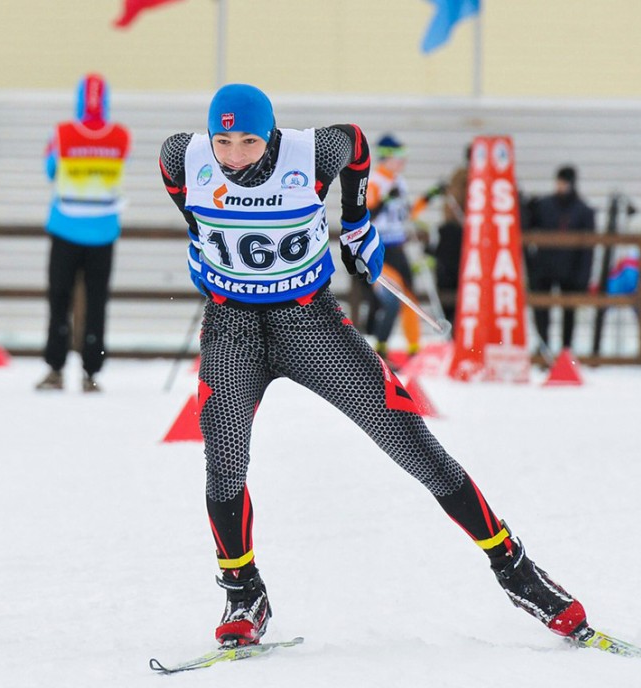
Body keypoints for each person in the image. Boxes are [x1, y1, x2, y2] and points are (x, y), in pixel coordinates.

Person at [159, 83, 590, 648]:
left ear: (271, 135)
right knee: (224, 465)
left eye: (249, 141)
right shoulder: (180, 157)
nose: (236, 156)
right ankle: (245, 592)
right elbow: (191, 207)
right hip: (231, 329)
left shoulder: (311, 153)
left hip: (309, 325)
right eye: (224, 141)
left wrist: (357, 220)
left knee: (414, 446)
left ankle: (517, 570)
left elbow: (357, 145)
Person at [35, 73, 131, 393]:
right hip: (104, 231)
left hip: (65, 227)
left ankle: (55, 368)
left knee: (59, 300)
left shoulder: (62, 134)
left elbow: (50, 170)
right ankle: (92, 371)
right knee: (96, 303)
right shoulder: (120, 136)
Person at [527, 165, 596, 357]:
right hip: (545, 267)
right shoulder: (544, 205)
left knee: (569, 312)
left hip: (570, 269)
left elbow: (588, 248)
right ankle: (543, 345)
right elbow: (527, 224)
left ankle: (566, 349)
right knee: (542, 309)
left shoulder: (582, 210)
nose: (561, 186)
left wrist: (583, 277)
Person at [366, 134, 420, 359]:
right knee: (391, 300)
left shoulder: (399, 181)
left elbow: (406, 214)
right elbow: (367, 214)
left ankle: (414, 349)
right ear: (386, 157)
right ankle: (381, 349)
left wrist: (428, 199)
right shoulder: (375, 181)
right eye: (398, 157)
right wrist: (385, 200)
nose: (402, 162)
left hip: (398, 246)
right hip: (380, 247)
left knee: (410, 298)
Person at [410, 143, 470, 331]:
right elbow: (419, 207)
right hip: (454, 236)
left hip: (469, 237)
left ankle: (460, 330)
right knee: (447, 286)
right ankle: (450, 330)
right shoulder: (460, 177)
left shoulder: (485, 180)